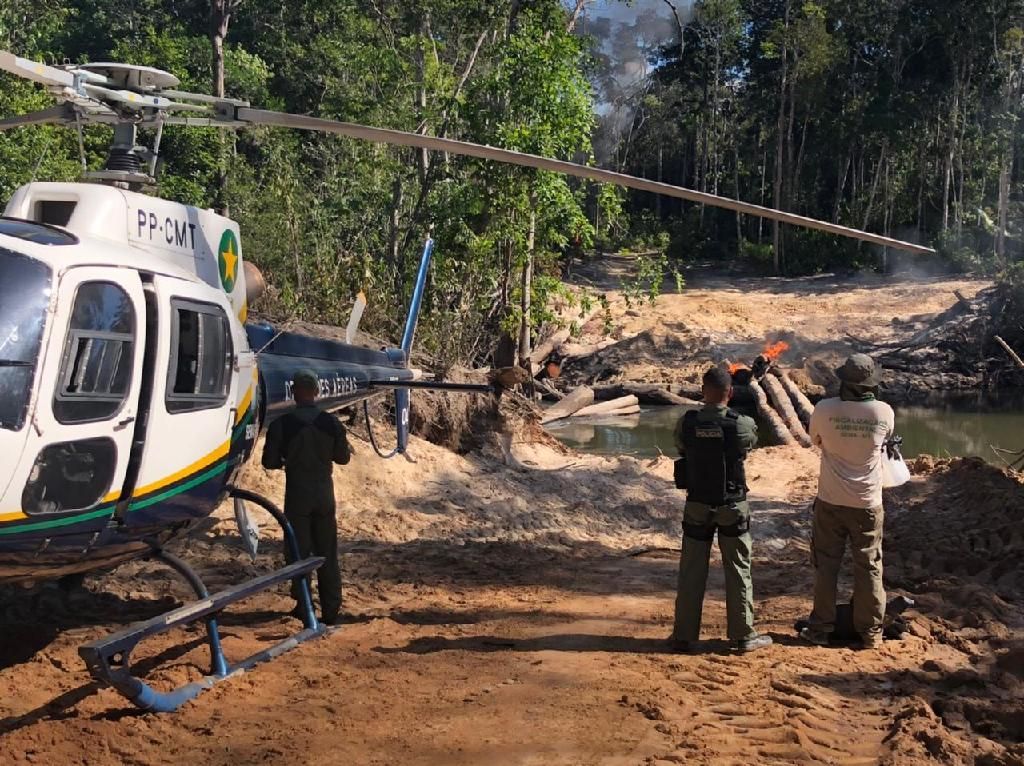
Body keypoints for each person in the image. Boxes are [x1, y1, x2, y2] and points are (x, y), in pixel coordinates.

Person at [669, 366, 773, 653]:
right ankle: (742, 635)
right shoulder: (741, 423)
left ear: (703, 391)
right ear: (730, 393)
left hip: (697, 503)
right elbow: (750, 442)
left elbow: (681, 446)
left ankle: (683, 635)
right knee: (738, 570)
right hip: (732, 504)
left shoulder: (687, 422)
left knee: (691, 570)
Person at [801, 354, 895, 649]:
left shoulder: (824, 409)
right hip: (867, 502)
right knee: (869, 565)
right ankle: (871, 633)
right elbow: (884, 442)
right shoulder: (883, 412)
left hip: (830, 500)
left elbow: (816, 441)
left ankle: (820, 630)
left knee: (826, 565)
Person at [261, 369, 351, 625]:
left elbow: (269, 462)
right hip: (324, 494)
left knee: (298, 553)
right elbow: (343, 458)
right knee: (328, 553)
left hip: (297, 495)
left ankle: (304, 606)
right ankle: (331, 610)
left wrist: (287, 459)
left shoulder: (282, 425)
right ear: (317, 392)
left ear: (294, 392)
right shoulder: (331, 423)